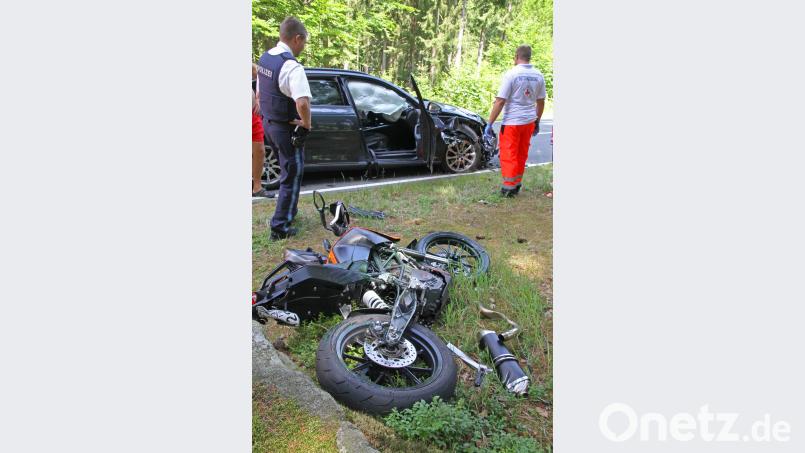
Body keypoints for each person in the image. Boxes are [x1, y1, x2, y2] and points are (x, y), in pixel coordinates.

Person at [256, 17, 312, 239]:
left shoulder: (266, 58)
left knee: (287, 170)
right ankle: (280, 228)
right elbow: (302, 102)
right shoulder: (290, 66)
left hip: (269, 124)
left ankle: (289, 212)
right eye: (304, 42)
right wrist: (306, 124)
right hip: (286, 129)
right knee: (292, 175)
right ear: (297, 38)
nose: (303, 46)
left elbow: (260, 94)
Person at [484, 45, 546, 197]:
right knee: (521, 153)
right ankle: (517, 184)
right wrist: (537, 120)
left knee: (509, 154)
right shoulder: (539, 75)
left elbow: (500, 101)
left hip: (512, 122)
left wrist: (490, 123)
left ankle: (508, 189)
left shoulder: (512, 74)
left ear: (516, 56)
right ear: (529, 57)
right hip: (529, 121)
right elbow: (541, 101)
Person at [251, 68, 273, 198]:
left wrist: (259, 96)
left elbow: (259, 72)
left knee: (259, 151)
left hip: (253, 114)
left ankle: (257, 187)